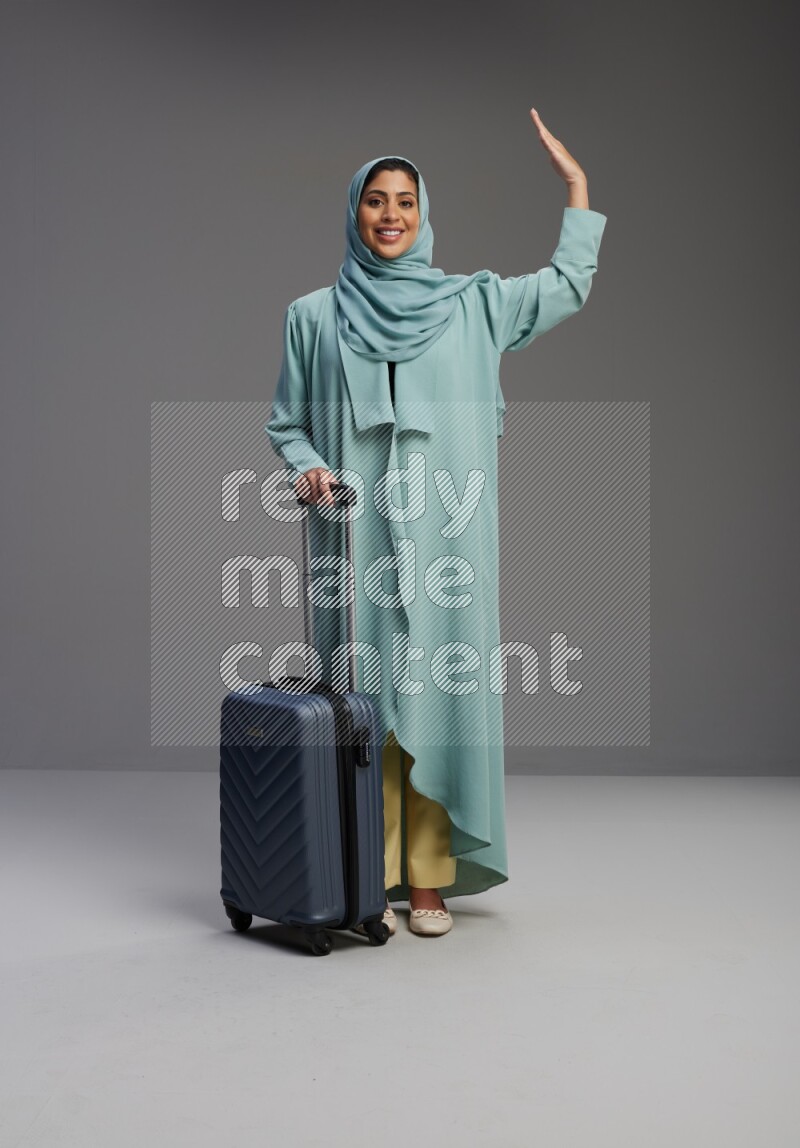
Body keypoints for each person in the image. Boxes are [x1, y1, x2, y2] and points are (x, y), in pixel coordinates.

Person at [266, 108, 607, 938]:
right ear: (355, 213)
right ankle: (363, 873)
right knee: (366, 703)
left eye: (405, 202)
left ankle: (426, 878)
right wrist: (307, 466)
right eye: (375, 201)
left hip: (449, 542)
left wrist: (577, 189)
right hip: (354, 542)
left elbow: (566, 287)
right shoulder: (313, 315)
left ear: (425, 215)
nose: (390, 215)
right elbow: (286, 422)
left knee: (435, 702)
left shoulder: (476, 304)